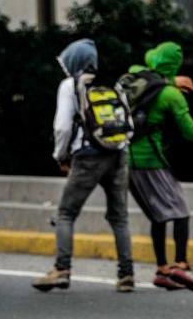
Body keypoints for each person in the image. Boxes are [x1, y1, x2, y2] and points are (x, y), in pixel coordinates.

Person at [33, 39, 135, 293]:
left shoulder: (70, 85)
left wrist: (60, 155)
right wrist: (116, 147)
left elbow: (62, 127)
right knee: (119, 217)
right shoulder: (113, 83)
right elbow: (129, 124)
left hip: (88, 155)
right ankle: (126, 274)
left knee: (66, 213)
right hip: (119, 153)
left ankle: (62, 269)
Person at [127, 41, 193, 292]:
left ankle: (162, 269)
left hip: (126, 158)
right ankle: (181, 265)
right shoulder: (171, 95)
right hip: (151, 160)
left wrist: (169, 81)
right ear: (173, 66)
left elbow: (152, 79)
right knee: (180, 210)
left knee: (158, 215)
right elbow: (192, 133)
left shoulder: (134, 79)